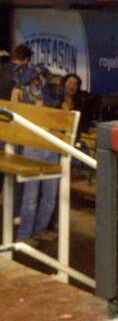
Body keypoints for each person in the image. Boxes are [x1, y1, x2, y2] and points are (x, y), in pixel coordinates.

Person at [11, 50, 61, 241]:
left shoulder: (50, 94)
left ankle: (37, 231)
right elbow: (15, 115)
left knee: (49, 195)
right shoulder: (19, 91)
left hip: (51, 143)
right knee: (32, 196)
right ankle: (25, 235)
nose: (38, 81)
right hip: (33, 144)